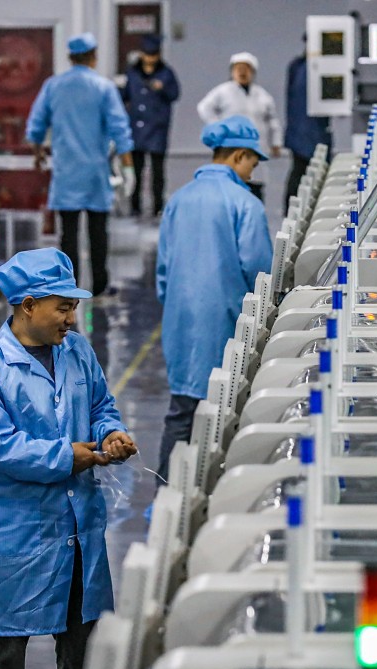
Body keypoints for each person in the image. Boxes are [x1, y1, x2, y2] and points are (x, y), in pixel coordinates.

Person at [0, 248, 138, 669]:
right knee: (5, 659)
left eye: (73, 308)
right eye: (63, 308)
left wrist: (110, 432)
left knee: (82, 655)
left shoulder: (77, 352)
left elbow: (100, 405)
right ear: (28, 305)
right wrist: (66, 457)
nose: (71, 319)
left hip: (78, 529)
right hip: (17, 532)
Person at [155, 116, 273, 483]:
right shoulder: (245, 204)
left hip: (180, 323)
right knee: (221, 415)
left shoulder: (178, 200)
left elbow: (163, 270)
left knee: (181, 413)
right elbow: (260, 273)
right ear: (238, 156)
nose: (252, 172)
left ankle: (164, 496)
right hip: (224, 324)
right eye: (252, 162)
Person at [26, 32, 135, 298]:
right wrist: (128, 165)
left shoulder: (53, 86)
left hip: (67, 171)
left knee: (68, 233)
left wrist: (38, 151)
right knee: (98, 231)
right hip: (95, 171)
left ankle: (67, 288)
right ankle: (99, 285)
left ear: (70, 57)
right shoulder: (103, 87)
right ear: (94, 56)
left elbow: (37, 123)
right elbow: (119, 127)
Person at [196, 52, 282, 199]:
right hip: (231, 147)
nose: (242, 72)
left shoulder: (262, 95)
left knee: (255, 186)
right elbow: (204, 108)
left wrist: (276, 142)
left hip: (256, 147)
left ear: (253, 72)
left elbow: (272, 119)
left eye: (246, 69)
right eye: (238, 68)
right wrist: (220, 128)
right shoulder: (223, 91)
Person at [120, 34, 180, 217]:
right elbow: (124, 95)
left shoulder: (166, 73)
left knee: (157, 171)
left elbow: (175, 94)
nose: (150, 59)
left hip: (157, 128)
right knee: (136, 170)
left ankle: (157, 205)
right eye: (147, 54)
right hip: (136, 128)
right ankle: (135, 205)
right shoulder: (132, 73)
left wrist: (163, 88)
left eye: (153, 55)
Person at [283, 47, 331, 211]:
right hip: (306, 134)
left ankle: (292, 212)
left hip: (305, 133)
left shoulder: (299, 68)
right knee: (302, 173)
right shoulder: (303, 69)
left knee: (302, 173)